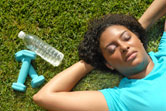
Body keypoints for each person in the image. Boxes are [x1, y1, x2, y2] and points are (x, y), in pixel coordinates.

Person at [33, 0, 166, 111]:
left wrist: (136, 29)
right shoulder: (122, 98)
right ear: (109, 64)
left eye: (126, 38)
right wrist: (92, 60)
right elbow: (44, 96)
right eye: (112, 49)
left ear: (139, 39)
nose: (124, 47)